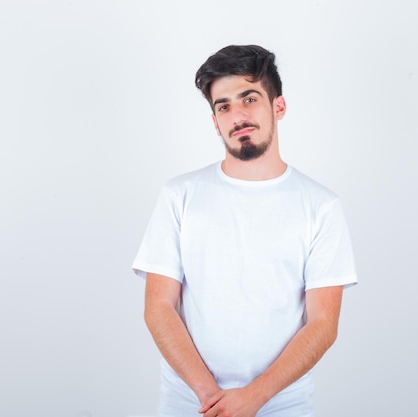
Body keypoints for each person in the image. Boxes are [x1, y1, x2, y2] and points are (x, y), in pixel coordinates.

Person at [132, 44, 358, 417]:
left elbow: (322, 324)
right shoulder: (179, 195)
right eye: (223, 106)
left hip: (283, 403)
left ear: (278, 106)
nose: (237, 115)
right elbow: (158, 307)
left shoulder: (321, 206)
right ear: (215, 122)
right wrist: (211, 398)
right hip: (189, 401)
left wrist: (254, 397)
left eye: (249, 98)